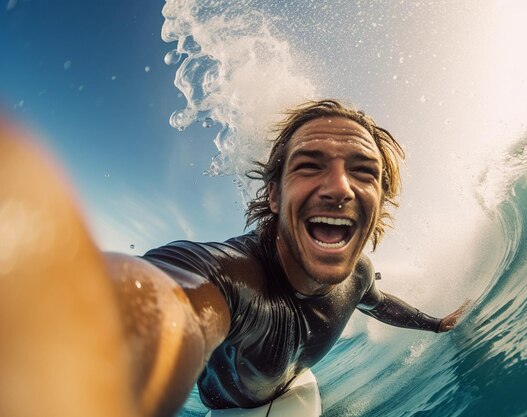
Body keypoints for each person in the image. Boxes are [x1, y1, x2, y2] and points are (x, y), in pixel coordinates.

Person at [0, 100, 468, 417]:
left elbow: (376, 301)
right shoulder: (233, 277)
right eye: (310, 165)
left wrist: (434, 323)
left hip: (294, 386)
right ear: (273, 191)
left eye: (363, 172)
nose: (340, 187)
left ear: (379, 200)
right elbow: (171, 299)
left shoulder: (358, 271)